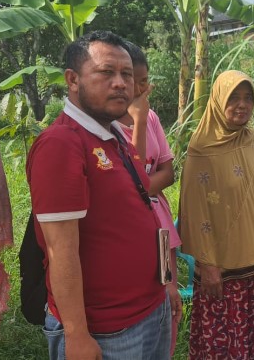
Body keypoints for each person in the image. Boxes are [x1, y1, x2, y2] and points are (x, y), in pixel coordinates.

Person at [27, 30, 171, 359]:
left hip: (150, 309)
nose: (121, 83)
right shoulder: (62, 143)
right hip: (107, 330)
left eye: (127, 74)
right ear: (73, 80)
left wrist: (164, 287)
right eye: (106, 72)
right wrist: (76, 334)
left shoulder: (115, 135)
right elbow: (59, 249)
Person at [179, 70, 254, 359]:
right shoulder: (201, 149)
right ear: (218, 101)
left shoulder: (251, 139)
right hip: (223, 270)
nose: (242, 105)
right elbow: (194, 210)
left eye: (248, 98)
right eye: (234, 98)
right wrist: (207, 263)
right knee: (227, 343)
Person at [118, 41, 182, 357]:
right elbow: (130, 187)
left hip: (160, 225)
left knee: (169, 304)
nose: (142, 88)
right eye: (135, 81)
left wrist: (141, 190)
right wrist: (142, 188)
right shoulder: (109, 127)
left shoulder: (152, 117)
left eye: (145, 80)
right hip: (134, 232)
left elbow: (168, 172)